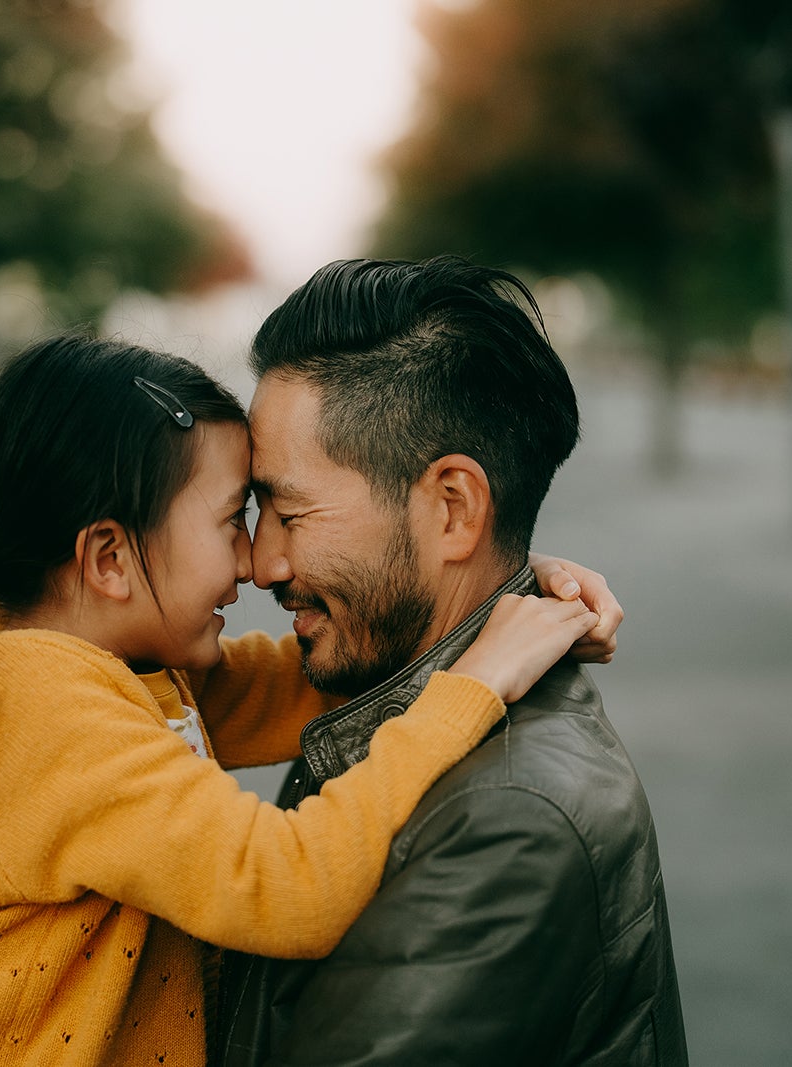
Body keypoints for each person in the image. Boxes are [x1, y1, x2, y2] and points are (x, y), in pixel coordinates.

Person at [0, 333, 612, 1065]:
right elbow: (289, 886)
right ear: (109, 558)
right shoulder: (41, 710)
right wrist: (475, 684)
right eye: (233, 520)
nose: (253, 562)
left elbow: (319, 678)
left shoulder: (107, 668)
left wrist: (490, 574)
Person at [215, 257, 688, 1066]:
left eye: (288, 512)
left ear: (453, 507)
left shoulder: (508, 826)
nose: (260, 564)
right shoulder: (388, 678)